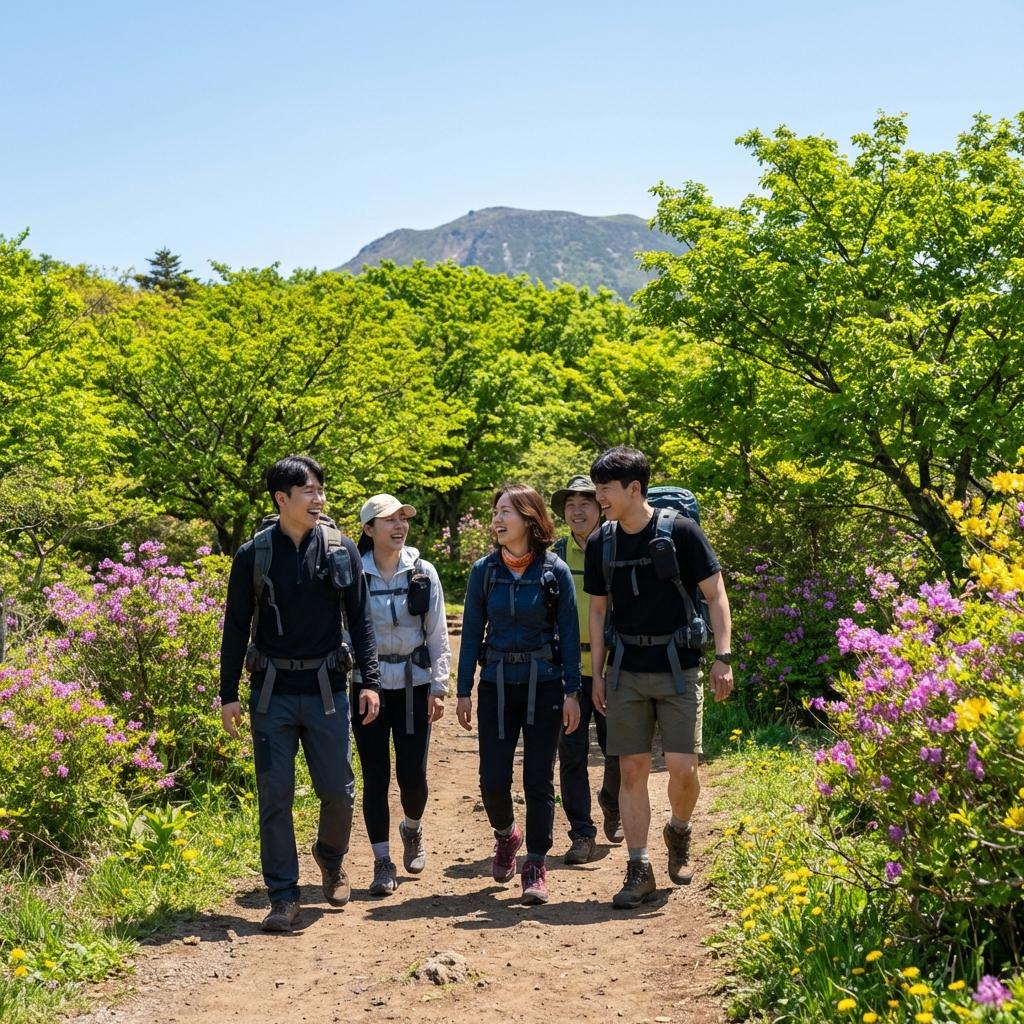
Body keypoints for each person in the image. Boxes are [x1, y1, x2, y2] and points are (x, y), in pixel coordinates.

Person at [219, 455, 381, 932]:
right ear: (281, 499)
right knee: (276, 795)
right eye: (308, 491)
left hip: (328, 689)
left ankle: (330, 858)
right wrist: (228, 692)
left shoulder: (342, 550)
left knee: (338, 792)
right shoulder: (253, 555)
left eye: (320, 490)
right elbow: (235, 627)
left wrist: (369, 681)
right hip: (271, 694)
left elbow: (361, 621)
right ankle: (283, 895)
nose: (319, 499)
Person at [584, 447, 733, 908]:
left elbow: (716, 594)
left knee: (683, 769)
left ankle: (680, 831)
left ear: (634, 488)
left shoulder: (681, 532)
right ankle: (639, 867)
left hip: (679, 666)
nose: (598, 497)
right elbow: (597, 609)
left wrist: (723, 657)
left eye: (605, 489)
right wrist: (597, 671)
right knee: (632, 769)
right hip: (626, 667)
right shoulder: (601, 542)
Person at [456, 483, 582, 905]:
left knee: (538, 779)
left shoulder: (554, 571)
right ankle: (507, 834)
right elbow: (471, 632)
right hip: (494, 683)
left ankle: (535, 864)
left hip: (543, 682)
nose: (497, 519)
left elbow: (569, 636)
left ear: (530, 518)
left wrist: (572, 692)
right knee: (492, 779)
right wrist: (463, 691)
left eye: (506, 511)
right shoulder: (484, 571)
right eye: (495, 511)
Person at [352, 493, 451, 896]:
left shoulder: (422, 572)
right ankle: (382, 861)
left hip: (414, 683)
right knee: (375, 776)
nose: (398, 526)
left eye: (402, 519)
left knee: (413, 776)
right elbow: (345, 631)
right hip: (367, 687)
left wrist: (440, 686)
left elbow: (438, 632)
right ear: (368, 530)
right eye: (388, 520)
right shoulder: (354, 574)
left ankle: (411, 828)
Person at [551, 475, 622, 864]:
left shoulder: (616, 547)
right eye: (570, 505)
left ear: (600, 506)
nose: (577, 511)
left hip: (612, 666)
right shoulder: (555, 553)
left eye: (586, 503)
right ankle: (582, 833)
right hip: (568, 672)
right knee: (572, 754)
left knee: (617, 750)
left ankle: (611, 801)